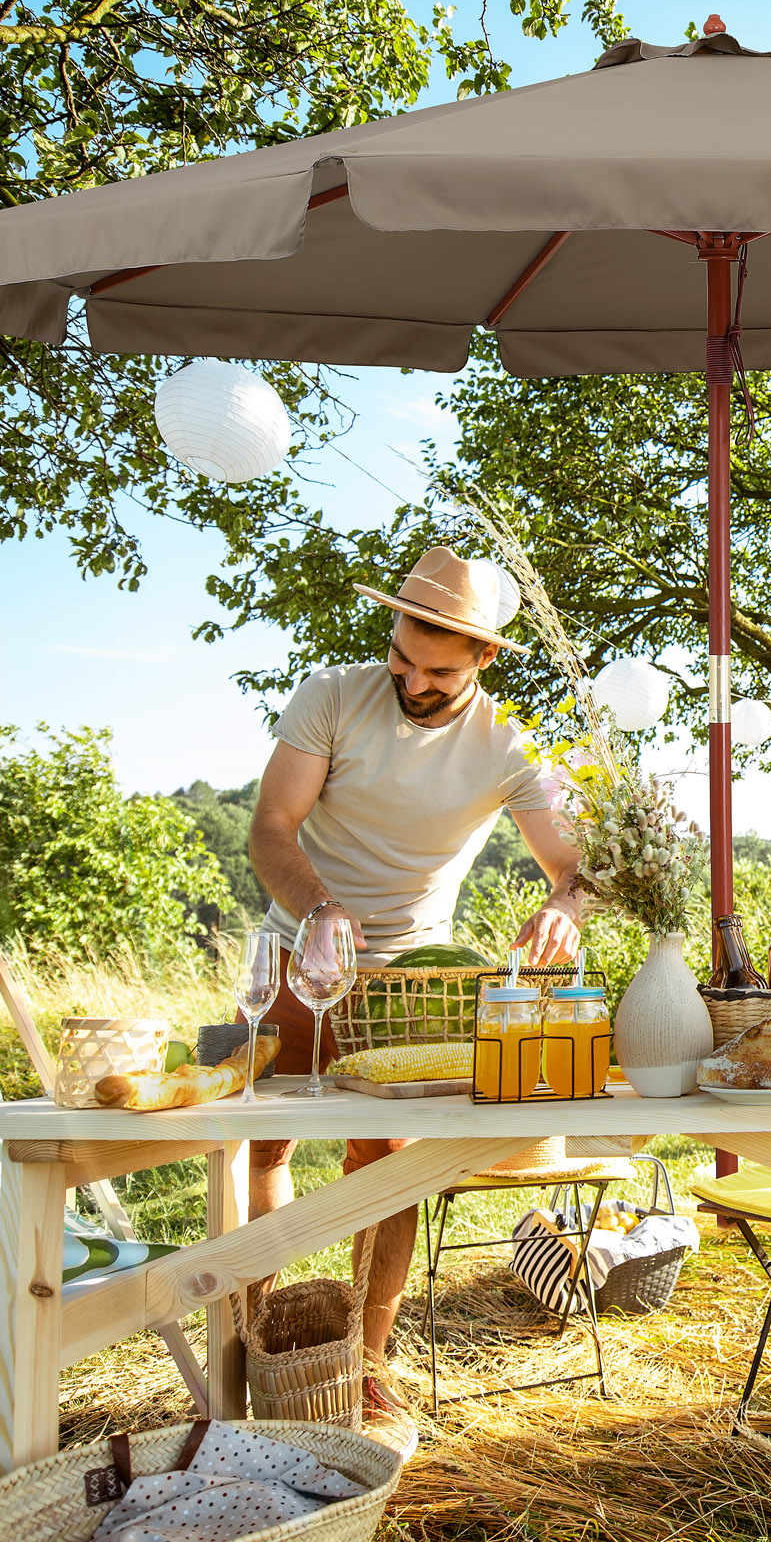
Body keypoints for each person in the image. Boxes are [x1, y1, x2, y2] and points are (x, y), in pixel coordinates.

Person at [246, 546, 583, 1435]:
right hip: (301, 952)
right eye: (403, 656)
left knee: (385, 1167)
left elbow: (572, 867)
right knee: (260, 1145)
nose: (413, 679)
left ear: (485, 659)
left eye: (438, 670)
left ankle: (366, 1364)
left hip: (410, 981)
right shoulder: (330, 695)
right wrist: (320, 908)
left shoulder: (512, 743)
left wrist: (565, 905)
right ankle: (253, 1345)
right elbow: (271, 828)